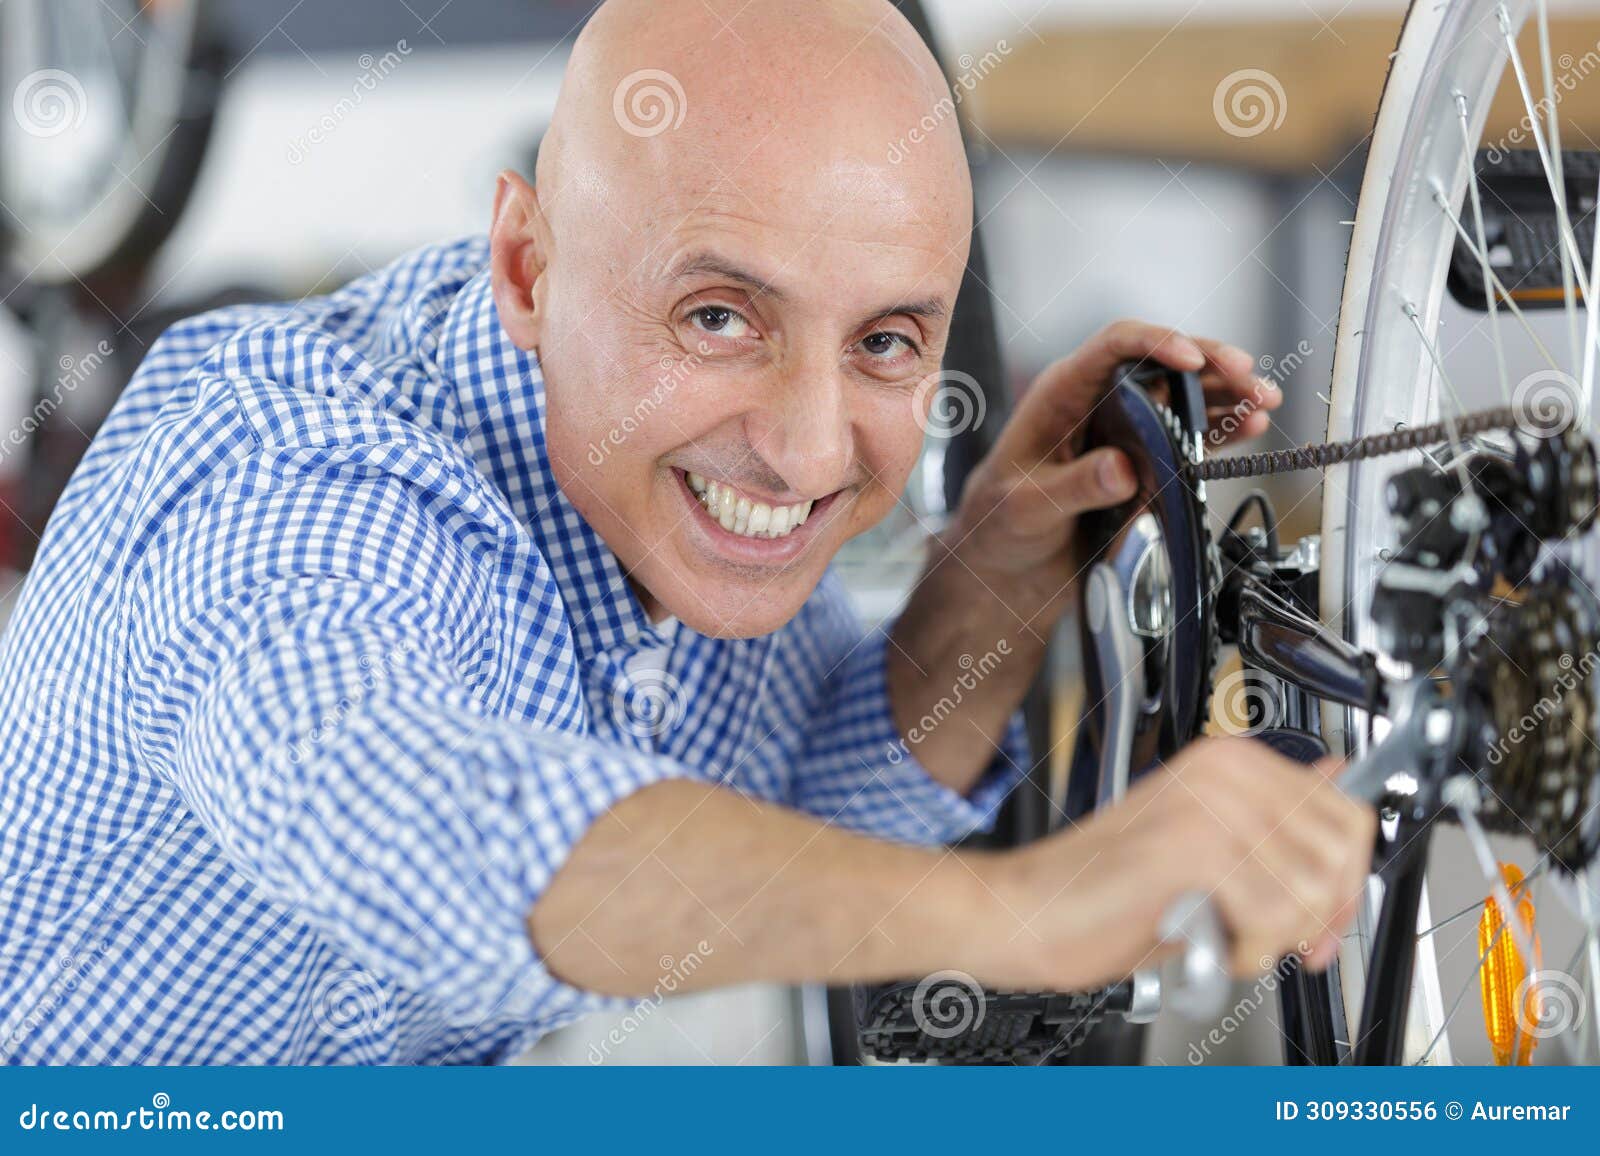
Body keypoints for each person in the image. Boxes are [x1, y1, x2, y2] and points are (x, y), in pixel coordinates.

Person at [0, 0, 1373, 1064]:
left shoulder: (668, 513)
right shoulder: (286, 466)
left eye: (888, 341)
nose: (808, 449)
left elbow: (808, 816)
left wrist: (997, 568)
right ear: (530, 265)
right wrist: (1043, 910)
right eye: (721, 317)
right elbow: (431, 835)